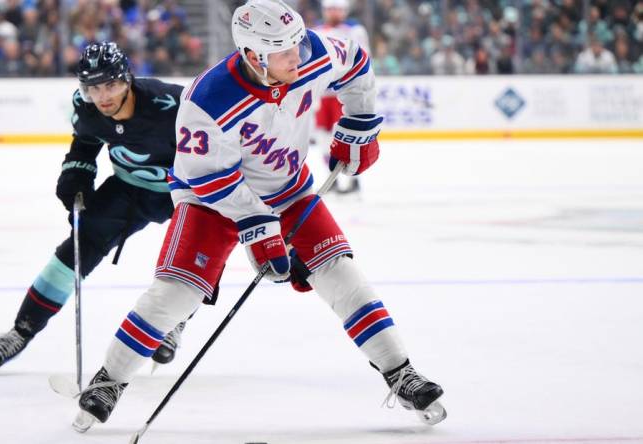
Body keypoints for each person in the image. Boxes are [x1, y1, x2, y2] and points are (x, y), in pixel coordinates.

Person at [72, 0, 446, 432]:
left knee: (342, 276)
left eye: (298, 45)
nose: (299, 57)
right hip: (210, 199)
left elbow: (357, 63)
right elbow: (205, 176)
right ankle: (109, 381)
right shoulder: (207, 99)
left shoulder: (308, 51)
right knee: (175, 295)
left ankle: (400, 373)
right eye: (285, 52)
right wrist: (258, 227)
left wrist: (360, 123)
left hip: (288, 190)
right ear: (254, 56)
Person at [0, 42, 189, 374]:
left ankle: (173, 320)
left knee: (193, 256)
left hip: (184, 192)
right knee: (77, 246)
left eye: (110, 85)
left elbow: (216, 142)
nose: (102, 96)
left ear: (127, 79)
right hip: (128, 189)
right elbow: (86, 143)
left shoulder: (172, 103)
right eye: (92, 87)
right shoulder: (87, 108)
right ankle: (22, 330)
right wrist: (76, 176)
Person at [313, 0, 369, 195]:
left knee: (347, 135)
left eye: (336, 9)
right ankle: (332, 180)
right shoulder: (317, 30)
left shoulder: (355, 30)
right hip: (321, 93)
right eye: (329, 9)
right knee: (322, 137)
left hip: (344, 92)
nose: (333, 13)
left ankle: (354, 180)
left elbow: (363, 58)